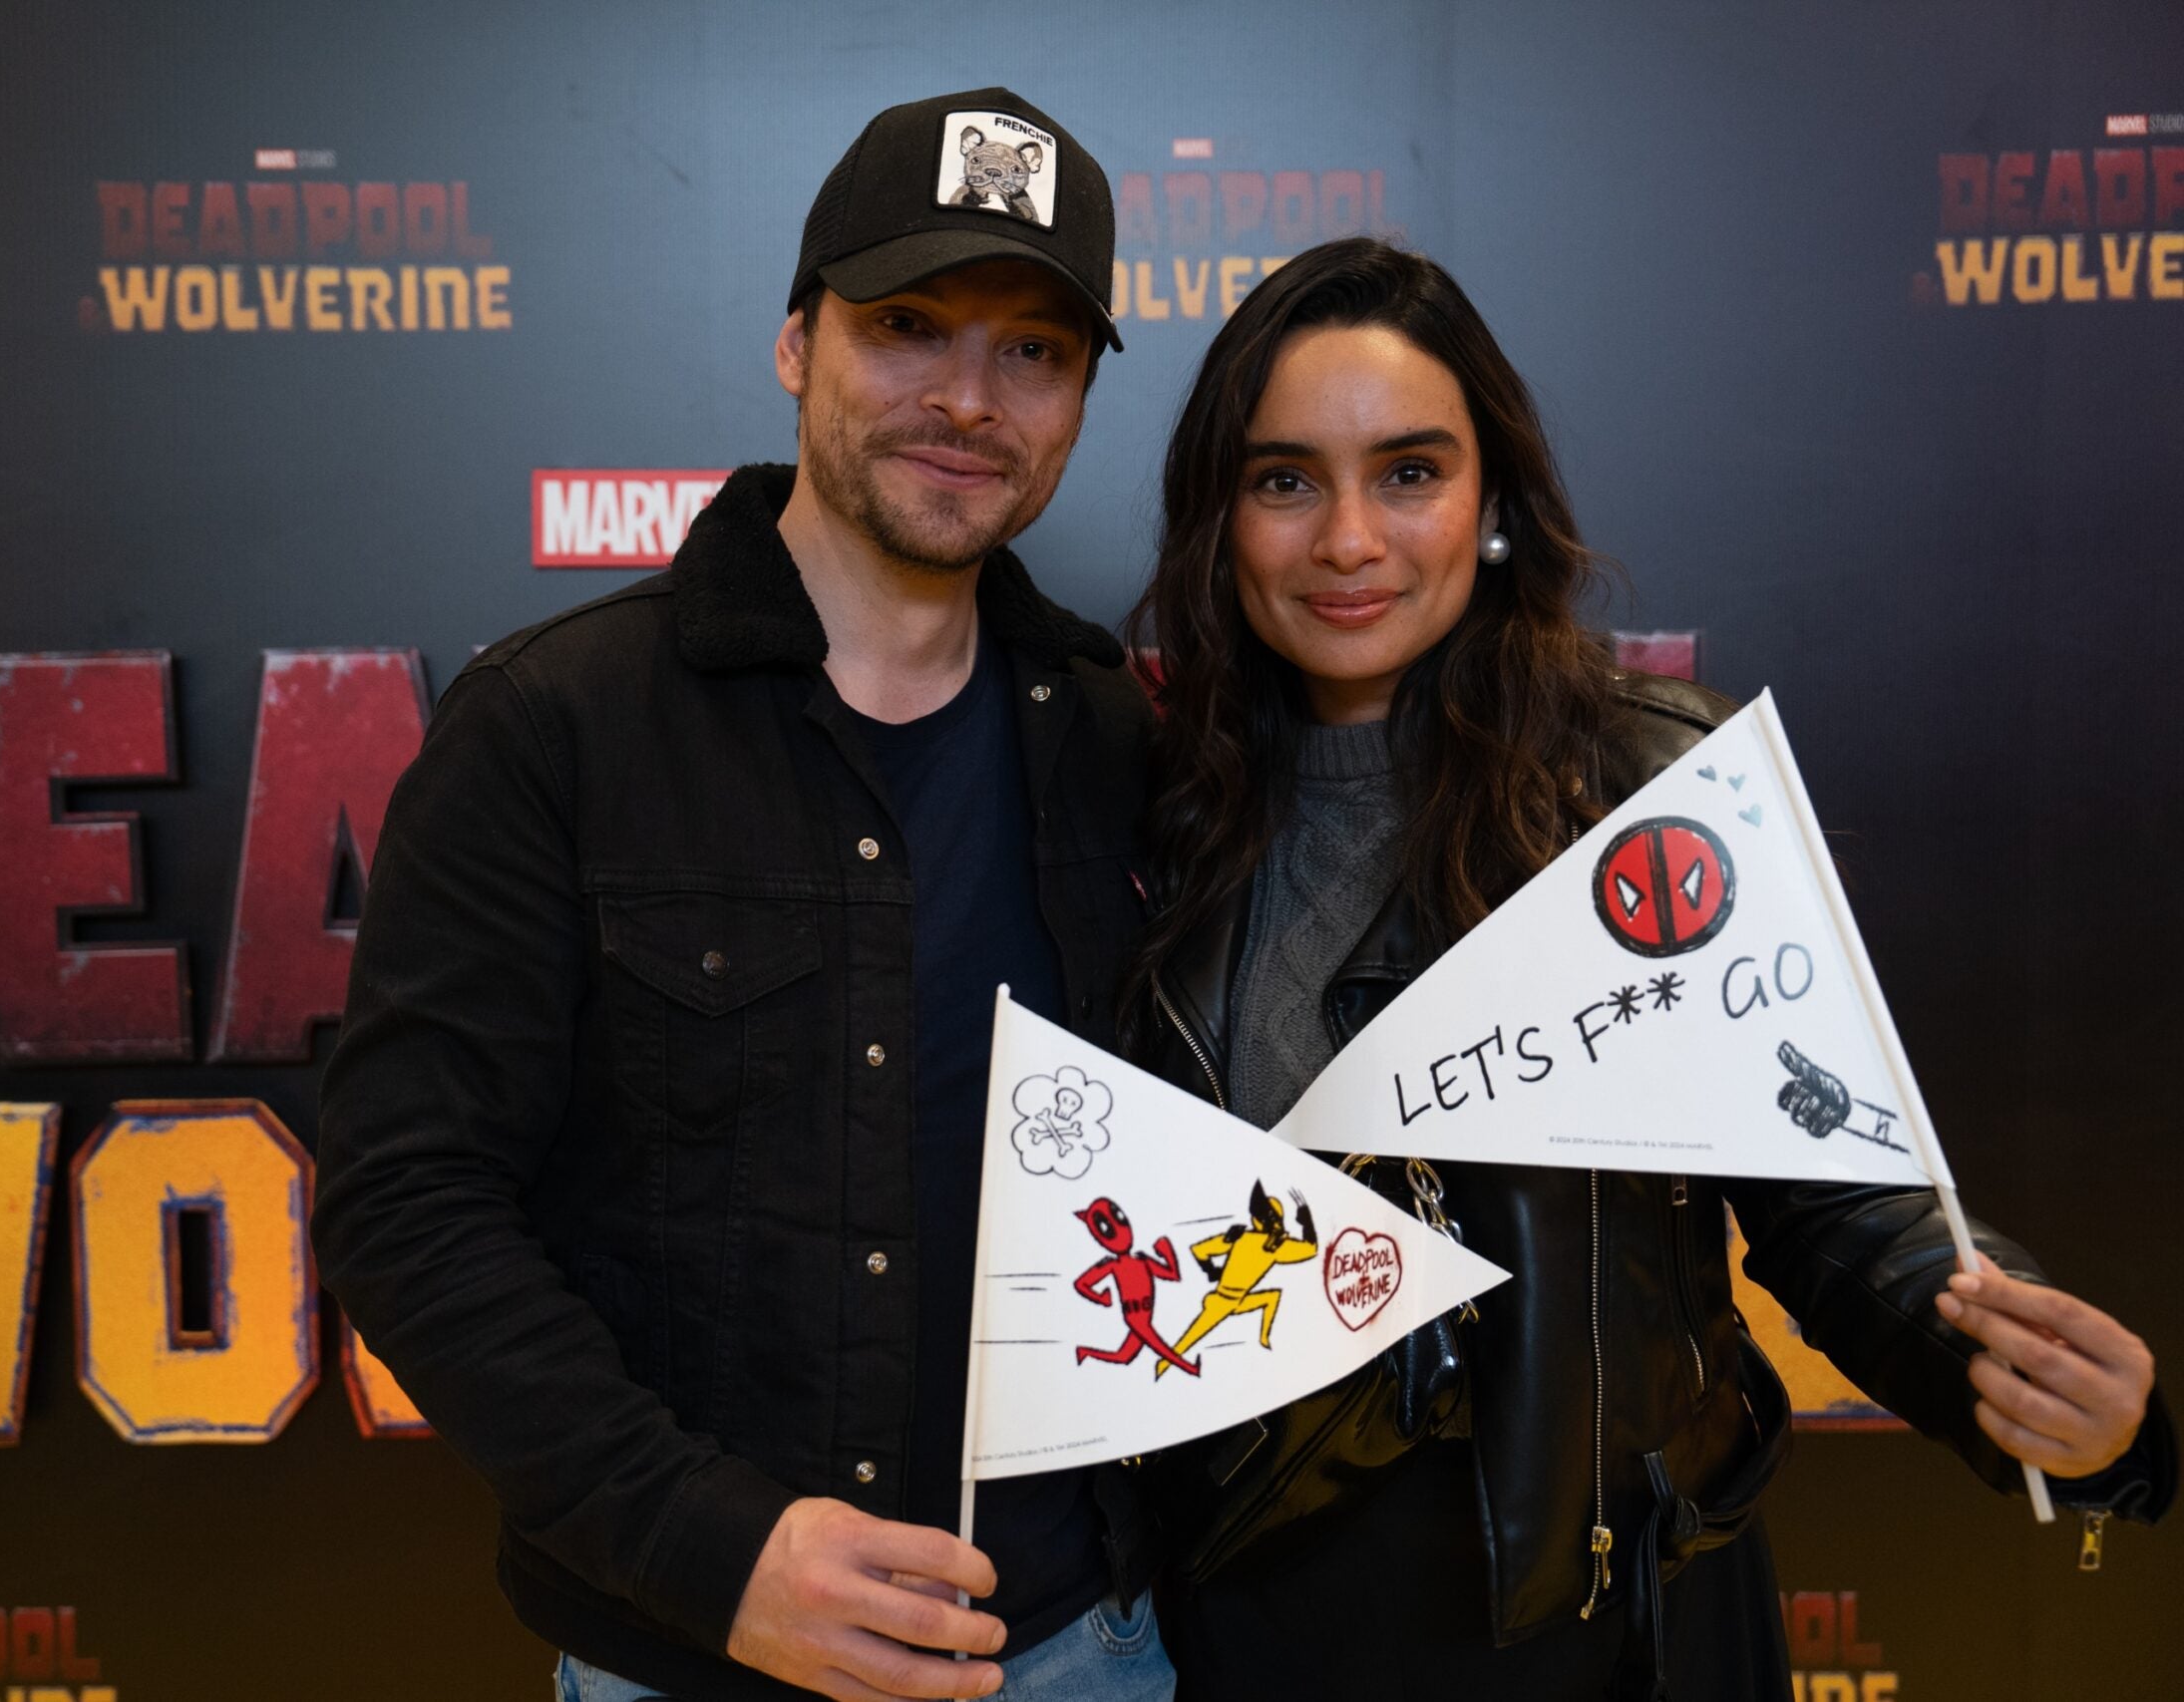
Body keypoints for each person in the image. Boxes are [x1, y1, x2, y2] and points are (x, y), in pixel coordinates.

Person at [1121, 236, 2173, 1699]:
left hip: (1614, 1629)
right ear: (1219, 519)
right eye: (1285, 480)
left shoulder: (1647, 784)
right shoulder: (1133, 805)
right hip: (1248, 1625)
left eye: (1410, 472)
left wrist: (2022, 1375)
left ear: (1494, 502)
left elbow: (1838, 1201)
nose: (1350, 539)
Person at [313, 89, 1176, 1702]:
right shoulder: (554, 727)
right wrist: (710, 1552)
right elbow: (406, 1205)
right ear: (797, 342)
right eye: (907, 325)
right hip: (693, 1657)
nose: (968, 398)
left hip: (1087, 1647)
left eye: (1034, 351)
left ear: (1075, 402)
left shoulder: (1120, 739)